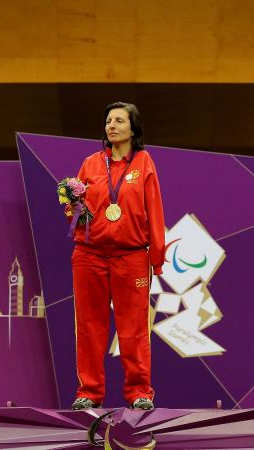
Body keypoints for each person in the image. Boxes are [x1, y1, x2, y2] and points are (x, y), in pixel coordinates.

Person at [67, 102, 165, 411]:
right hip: (89, 254)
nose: (112, 125)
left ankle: (139, 394)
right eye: (108, 120)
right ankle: (89, 392)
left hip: (131, 256)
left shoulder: (144, 162)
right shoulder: (91, 164)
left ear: (133, 129)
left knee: (133, 329)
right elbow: (76, 208)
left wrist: (156, 257)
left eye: (119, 121)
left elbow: (154, 209)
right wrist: (71, 207)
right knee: (89, 326)